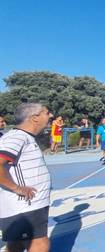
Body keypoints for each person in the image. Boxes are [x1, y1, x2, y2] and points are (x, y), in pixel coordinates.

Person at [0, 103, 52, 252]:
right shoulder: (17, 137)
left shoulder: (24, 137)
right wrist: (17, 188)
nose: (50, 116)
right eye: (46, 113)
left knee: (15, 245)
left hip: (26, 205)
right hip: (26, 205)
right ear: (35, 118)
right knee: (39, 244)